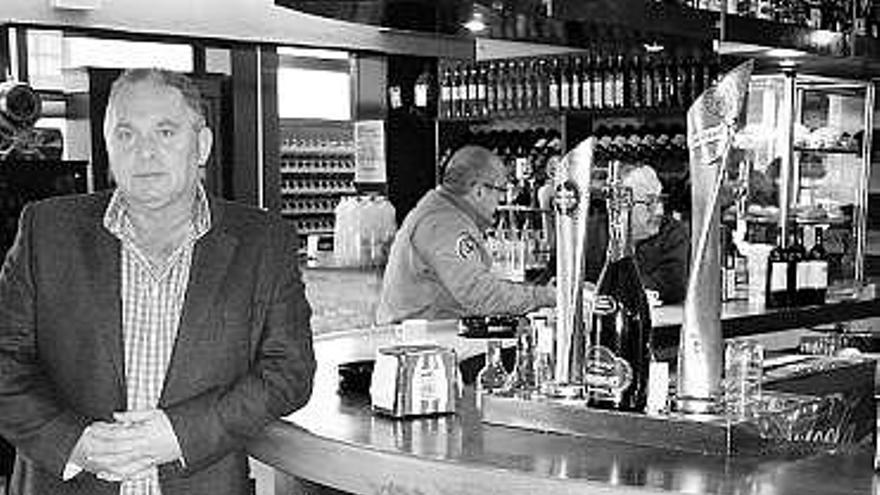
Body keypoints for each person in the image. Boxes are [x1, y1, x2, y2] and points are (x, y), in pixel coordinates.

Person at [0, 68, 316, 495]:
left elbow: (288, 371)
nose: (145, 152)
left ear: (200, 145)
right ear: (108, 146)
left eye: (166, 132)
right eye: (126, 134)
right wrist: (73, 442)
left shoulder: (262, 243)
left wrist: (180, 434)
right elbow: (6, 361)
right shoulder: (46, 231)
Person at [376, 145, 555, 324]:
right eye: (500, 190)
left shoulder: (443, 212)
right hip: (421, 339)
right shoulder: (444, 223)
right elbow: (480, 295)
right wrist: (545, 296)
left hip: (430, 332)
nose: (502, 200)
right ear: (479, 190)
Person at [586, 163, 689, 304]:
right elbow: (559, 279)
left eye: (659, 200)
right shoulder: (591, 233)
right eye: (649, 202)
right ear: (621, 205)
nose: (660, 211)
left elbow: (672, 286)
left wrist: (602, 290)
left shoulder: (672, 233)